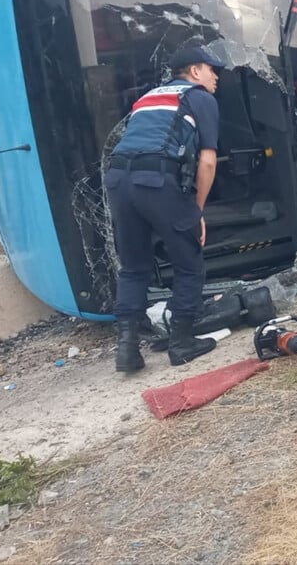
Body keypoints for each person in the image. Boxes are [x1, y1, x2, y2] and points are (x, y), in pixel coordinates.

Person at [105, 45, 225, 373]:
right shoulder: (201, 98)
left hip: (118, 179)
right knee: (189, 263)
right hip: (156, 179)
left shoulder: (148, 98)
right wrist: (196, 210)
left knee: (133, 267)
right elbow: (208, 160)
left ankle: (127, 349)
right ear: (195, 71)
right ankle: (182, 343)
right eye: (211, 69)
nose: (216, 77)